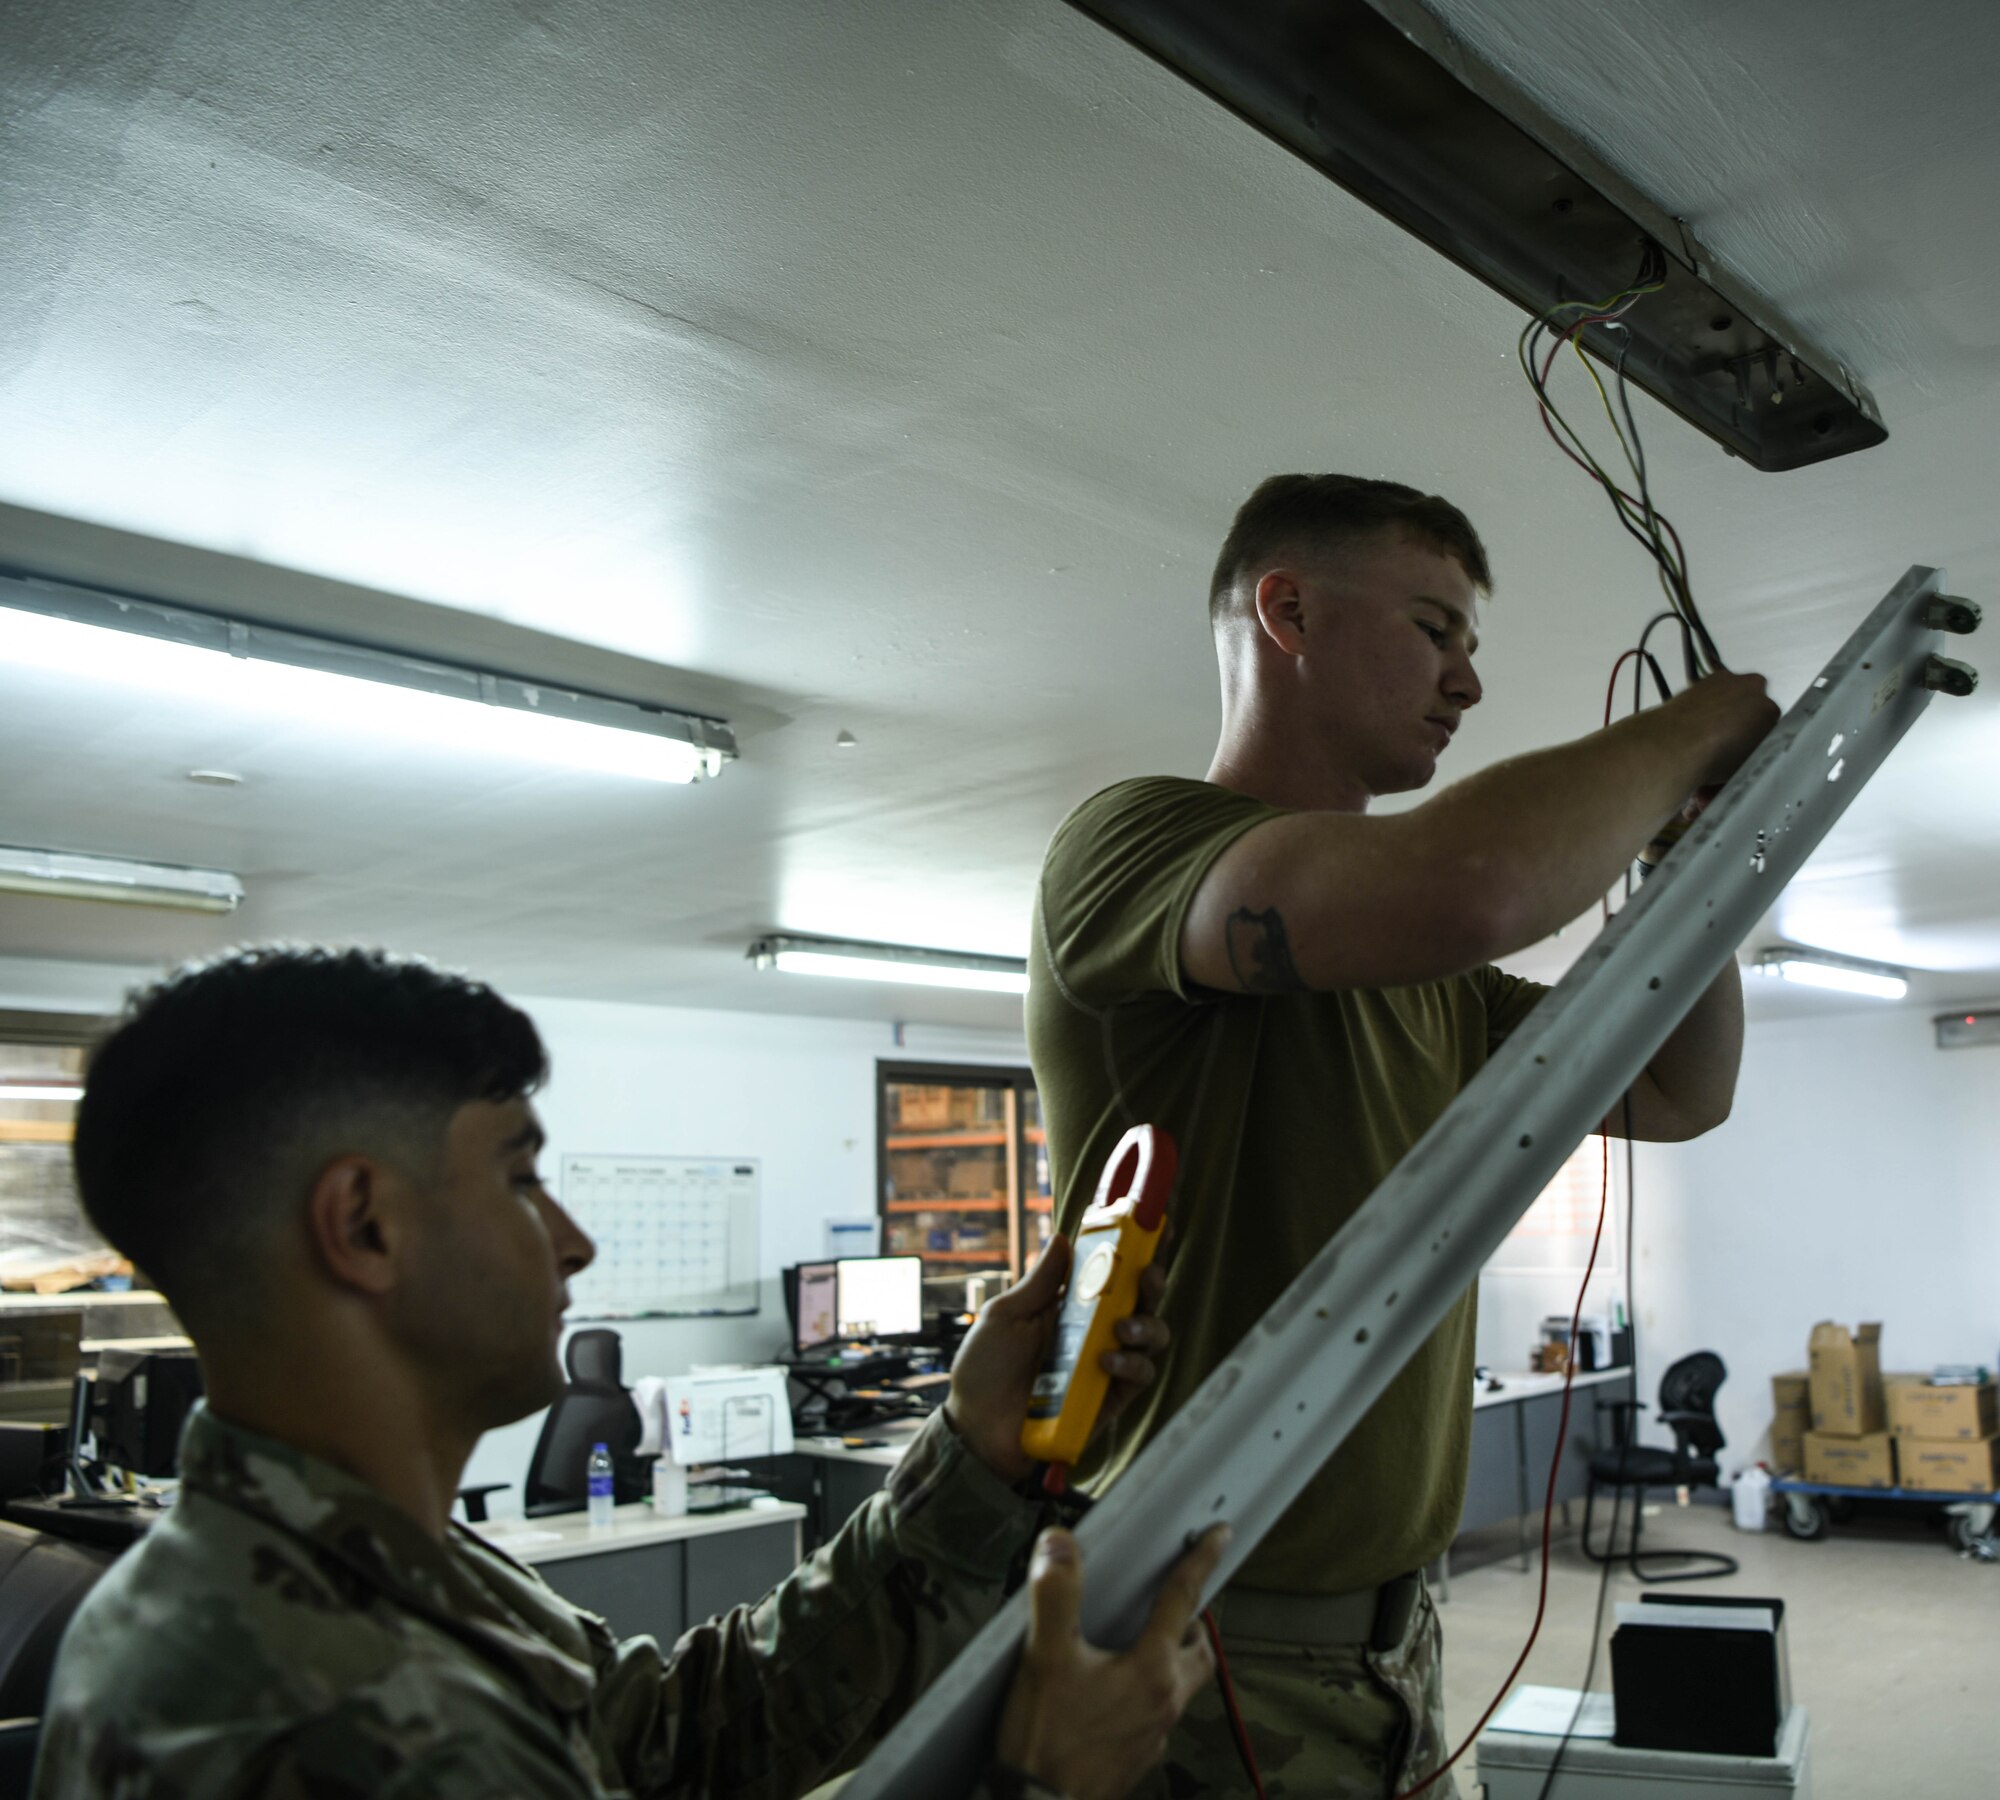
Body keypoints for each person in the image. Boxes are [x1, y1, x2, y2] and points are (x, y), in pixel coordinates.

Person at [32, 946, 1228, 1800]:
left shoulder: (365, 1574)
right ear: (365, 1226)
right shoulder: (346, 1717)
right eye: (516, 1177)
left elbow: (686, 1742)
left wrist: (967, 1452)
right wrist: (1040, 1783)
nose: (572, 1240)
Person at [1027, 474, 1779, 1798]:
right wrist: (1697, 728)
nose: (1468, 682)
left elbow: (1677, 1091)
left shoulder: (1432, 983)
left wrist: (1688, 857)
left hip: (1392, 1644)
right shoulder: (1132, 841)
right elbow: (1470, 884)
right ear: (1289, 610)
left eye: (1471, 648)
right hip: (1201, 1660)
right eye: (1437, 630)